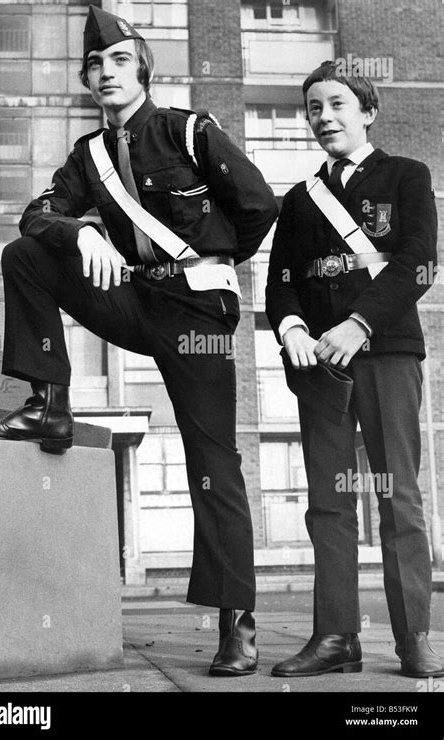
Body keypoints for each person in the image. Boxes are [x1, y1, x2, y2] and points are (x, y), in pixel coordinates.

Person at [0, 5, 278, 676]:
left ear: (141, 67)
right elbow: (38, 212)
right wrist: (79, 232)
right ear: (86, 82)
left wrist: (215, 264)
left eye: (117, 60)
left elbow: (258, 205)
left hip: (196, 316)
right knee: (26, 253)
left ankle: (236, 621)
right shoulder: (89, 158)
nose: (104, 73)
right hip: (136, 301)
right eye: (93, 66)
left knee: (212, 458)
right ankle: (49, 401)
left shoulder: (189, 132)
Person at [266, 60, 443, 678]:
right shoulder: (298, 199)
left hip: (386, 351)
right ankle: (336, 637)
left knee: (398, 498)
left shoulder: (406, 176)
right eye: (314, 107)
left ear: (368, 112)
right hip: (320, 366)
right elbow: (280, 281)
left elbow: (419, 258)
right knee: (327, 504)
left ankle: (413, 636)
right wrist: (291, 329)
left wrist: (360, 322)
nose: (324, 117)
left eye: (337, 104)